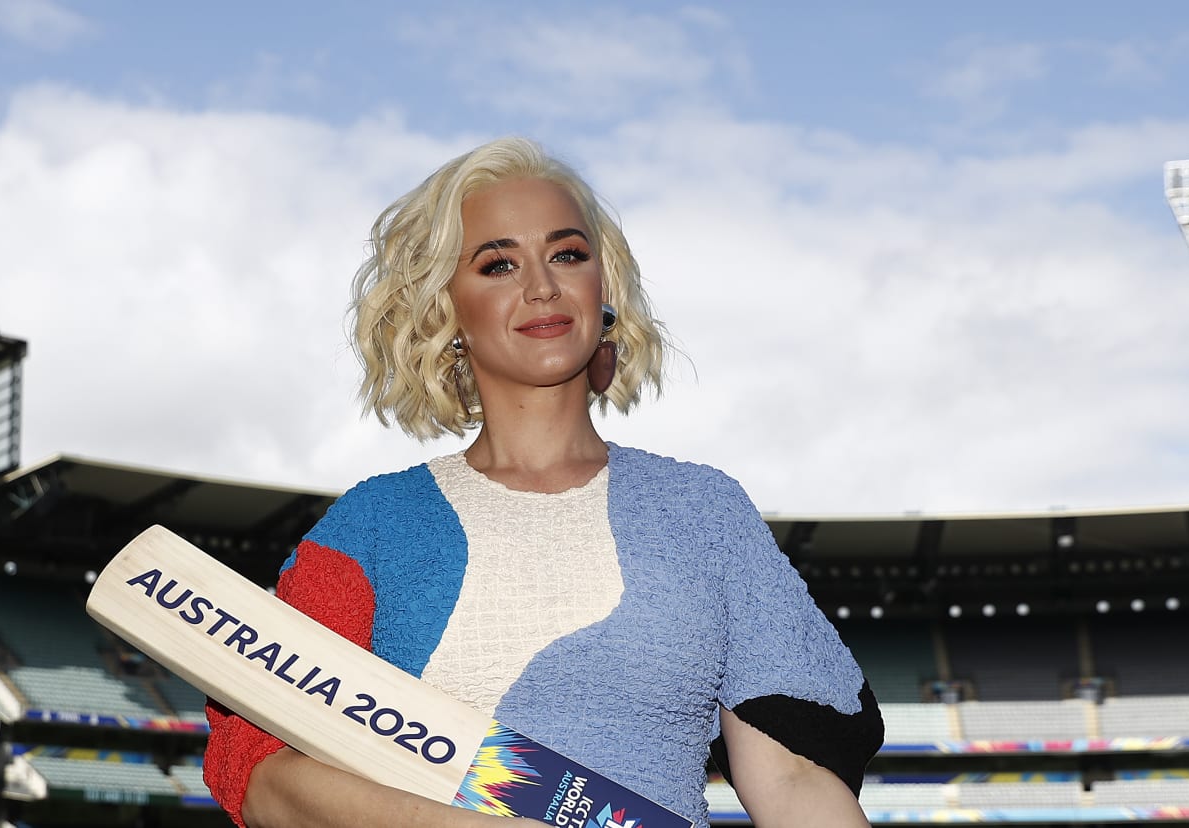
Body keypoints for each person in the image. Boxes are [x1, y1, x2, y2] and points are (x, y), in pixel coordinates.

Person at [202, 137, 883, 827]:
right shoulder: (373, 525)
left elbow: (793, 777)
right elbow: (259, 773)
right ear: (447, 312)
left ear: (602, 289)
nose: (542, 286)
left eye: (568, 254)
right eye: (499, 264)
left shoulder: (704, 512)